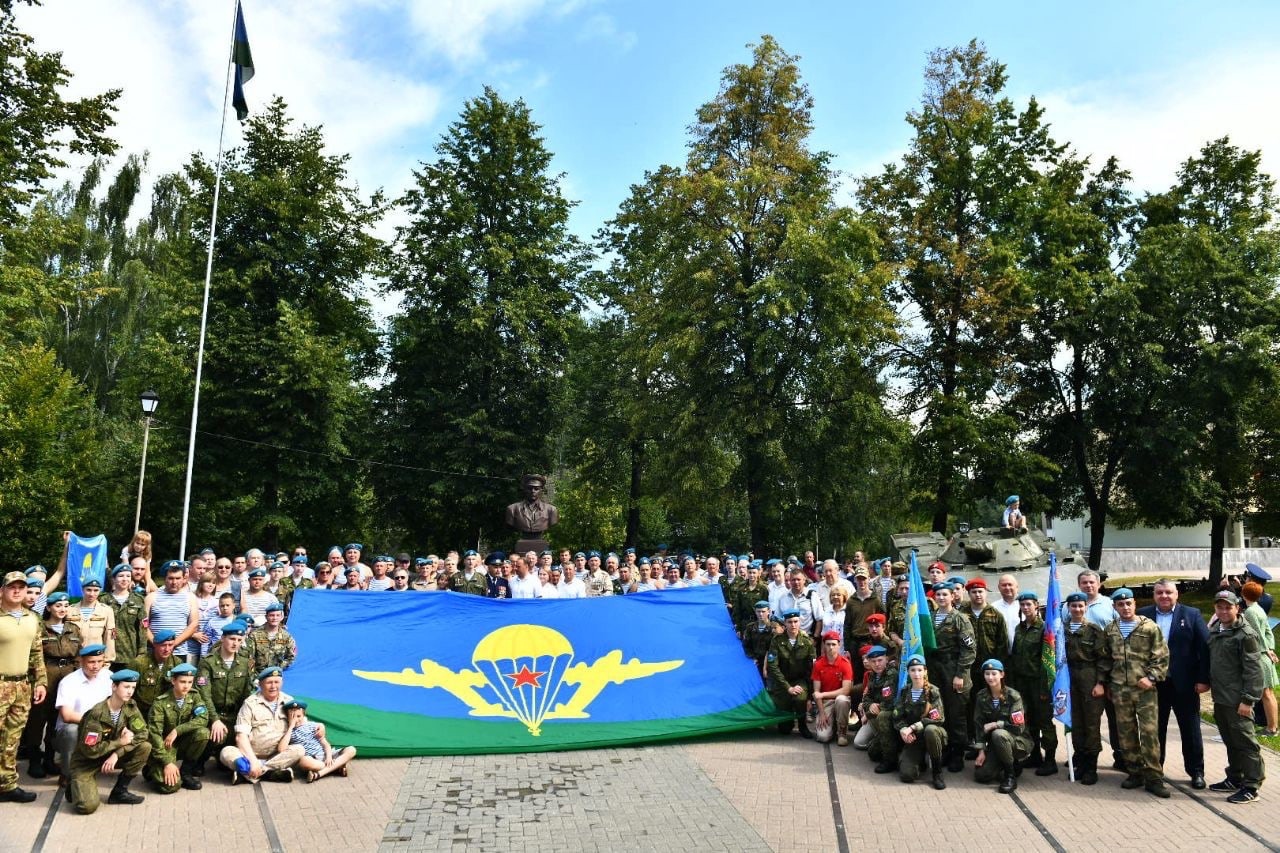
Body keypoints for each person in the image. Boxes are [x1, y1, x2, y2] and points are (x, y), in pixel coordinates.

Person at [1097, 587, 1170, 798]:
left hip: (1145, 690)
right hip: (1120, 689)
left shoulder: (1149, 628)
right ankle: (1135, 771)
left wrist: (1152, 677)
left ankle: (1154, 777)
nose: (1125, 607)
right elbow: (1105, 659)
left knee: (1149, 734)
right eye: (1120, 604)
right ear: (1115, 607)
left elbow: (1162, 656)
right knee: (1126, 734)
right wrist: (1106, 683)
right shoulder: (1111, 629)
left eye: (1128, 603)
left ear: (1134, 604)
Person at [1138, 578, 1211, 788]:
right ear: (1154, 595)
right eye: (1159, 592)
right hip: (1153, 685)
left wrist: (1203, 679)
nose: (1164, 596)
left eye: (1168, 592)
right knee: (1155, 730)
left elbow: (1205, 648)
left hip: (1185, 684)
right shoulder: (1144, 615)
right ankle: (1154, 770)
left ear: (1176, 594)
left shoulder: (1192, 614)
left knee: (1190, 729)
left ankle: (1196, 771)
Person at [1206, 590, 1265, 804]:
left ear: (1237, 608)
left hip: (1238, 699)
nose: (1223, 611)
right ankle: (1235, 777)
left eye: (1228, 607)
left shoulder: (1245, 634)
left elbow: (1253, 670)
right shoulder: (1216, 629)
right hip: (1221, 697)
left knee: (1246, 742)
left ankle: (1251, 786)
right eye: (1219, 607)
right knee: (1231, 740)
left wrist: (1248, 699)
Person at [66, 668, 150, 813]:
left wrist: (117, 753)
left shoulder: (130, 706)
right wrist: (120, 742)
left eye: (133, 687)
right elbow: (90, 750)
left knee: (145, 747)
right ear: (114, 687)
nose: (130, 691)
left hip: (109, 755)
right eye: (126, 687)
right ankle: (73, 785)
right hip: (87, 761)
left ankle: (119, 792)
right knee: (87, 807)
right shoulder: (97, 715)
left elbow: (143, 733)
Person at [0, 570, 48, 803]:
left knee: (12, 739)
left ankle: (7, 784)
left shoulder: (32, 619)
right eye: (12, 587)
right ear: (3, 591)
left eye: (21, 586)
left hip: (21, 687)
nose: (17, 590)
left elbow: (36, 653)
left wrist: (40, 682)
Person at [21, 591, 80, 779]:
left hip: (68, 676)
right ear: (48, 608)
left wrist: (78, 676)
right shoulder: (41, 628)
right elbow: (34, 654)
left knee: (57, 721)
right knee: (38, 720)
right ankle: (34, 760)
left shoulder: (74, 629)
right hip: (47, 674)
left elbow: (79, 655)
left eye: (65, 605)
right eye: (57, 605)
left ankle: (49, 758)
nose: (62, 609)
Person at [218, 666, 305, 784]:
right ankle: (270, 773)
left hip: (277, 756)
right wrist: (253, 760)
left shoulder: (289, 702)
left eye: (277, 682)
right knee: (226, 752)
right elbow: (241, 737)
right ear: (260, 684)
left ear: (282, 683)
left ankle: (253, 773)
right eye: (269, 682)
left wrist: (319, 727)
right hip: (250, 755)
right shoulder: (250, 703)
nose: (273, 686)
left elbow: (302, 723)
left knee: (299, 750)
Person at [1007, 592, 1056, 776]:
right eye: (1023, 604)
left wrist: (1045, 688)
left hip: (1039, 683)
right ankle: (1035, 755)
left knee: (1044, 721)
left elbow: (1047, 661)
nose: (1025, 608)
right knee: (1029, 721)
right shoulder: (1020, 628)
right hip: (1022, 683)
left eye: (1029, 604)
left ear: (1036, 606)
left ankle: (1050, 759)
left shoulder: (1045, 629)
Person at [928, 581, 975, 773]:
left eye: (945, 595)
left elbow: (969, 649)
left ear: (952, 596)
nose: (941, 598)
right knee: (940, 712)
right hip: (935, 670)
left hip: (953, 669)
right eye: (938, 595)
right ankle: (945, 749)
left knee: (956, 715)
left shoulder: (960, 619)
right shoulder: (930, 617)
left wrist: (960, 675)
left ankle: (957, 754)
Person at [196, 621, 255, 771]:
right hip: (213, 714)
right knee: (213, 736)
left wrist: (247, 721)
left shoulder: (244, 662)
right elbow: (204, 694)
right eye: (232, 639)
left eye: (239, 640)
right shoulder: (207, 662)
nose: (235, 643)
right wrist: (214, 720)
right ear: (223, 638)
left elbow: (247, 693)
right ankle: (199, 762)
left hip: (235, 715)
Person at [144, 662, 209, 793]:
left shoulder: (194, 696)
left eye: (190, 682)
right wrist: (167, 762)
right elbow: (154, 734)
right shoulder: (160, 703)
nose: (186, 686)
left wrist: (177, 731)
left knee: (203, 733)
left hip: (183, 741)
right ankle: (152, 768)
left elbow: (203, 718)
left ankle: (185, 773)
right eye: (183, 681)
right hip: (164, 745)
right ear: (173, 681)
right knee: (170, 787)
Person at [53, 642, 112, 783]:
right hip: (76, 729)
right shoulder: (69, 682)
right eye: (91, 662)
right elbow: (67, 715)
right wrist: (93, 723)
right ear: (81, 661)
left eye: (100, 661)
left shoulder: (108, 676)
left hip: (101, 728)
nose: (96, 666)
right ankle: (67, 775)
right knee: (71, 731)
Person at [1064, 591, 1106, 784]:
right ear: (1068, 608)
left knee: (1091, 723)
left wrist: (1100, 683)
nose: (1077, 609)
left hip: (1089, 677)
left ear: (1086, 607)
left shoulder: (1094, 630)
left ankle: (1091, 766)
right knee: (1076, 723)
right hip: (1069, 678)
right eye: (1073, 606)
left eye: (1081, 606)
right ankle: (1079, 761)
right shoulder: (1061, 629)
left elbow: (1103, 659)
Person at [971, 659, 1031, 794]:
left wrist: (996, 724)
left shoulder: (1013, 696)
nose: (990, 677)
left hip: (1018, 741)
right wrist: (981, 751)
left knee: (998, 733)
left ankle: (1011, 777)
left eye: (994, 673)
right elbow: (979, 725)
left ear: (1002, 674)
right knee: (981, 776)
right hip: (997, 743)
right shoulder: (981, 696)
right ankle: (1011, 765)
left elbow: (1018, 727)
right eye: (987, 674)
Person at [887, 655, 947, 788]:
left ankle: (937, 772)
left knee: (930, 730)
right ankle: (919, 761)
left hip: (933, 735)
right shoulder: (905, 691)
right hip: (914, 739)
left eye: (920, 670)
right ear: (908, 672)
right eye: (913, 670)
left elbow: (938, 718)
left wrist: (913, 727)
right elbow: (898, 716)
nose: (917, 674)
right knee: (906, 775)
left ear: (925, 671)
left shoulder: (933, 691)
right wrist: (903, 730)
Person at [963, 578, 1007, 757]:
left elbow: (1002, 644)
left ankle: (991, 743)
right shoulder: (962, 614)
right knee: (972, 706)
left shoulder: (995, 615)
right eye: (974, 592)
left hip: (991, 671)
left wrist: (999, 672)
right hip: (969, 668)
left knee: (991, 705)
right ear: (969, 594)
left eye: (981, 591)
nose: (978, 595)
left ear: (986, 593)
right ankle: (975, 742)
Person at [767, 610, 816, 738]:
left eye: (795, 622)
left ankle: (802, 725)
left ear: (800, 623)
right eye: (789, 622)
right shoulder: (776, 641)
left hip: (800, 681)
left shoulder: (807, 642)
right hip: (783, 683)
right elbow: (773, 667)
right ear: (785, 624)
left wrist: (810, 696)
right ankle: (787, 721)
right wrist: (787, 687)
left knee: (800, 697)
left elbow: (811, 669)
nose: (793, 625)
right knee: (785, 729)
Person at [1239, 582, 1278, 736]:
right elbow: (1268, 632)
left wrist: (1266, 650)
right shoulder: (1259, 609)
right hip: (1264, 654)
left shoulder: (1250, 612)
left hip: (1260, 656)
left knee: (1266, 694)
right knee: (1268, 693)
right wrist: (1271, 648)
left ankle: (1271, 728)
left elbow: (1256, 635)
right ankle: (1273, 726)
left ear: (1243, 594)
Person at [281, 699, 355, 782]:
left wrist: (329, 757)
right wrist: (291, 727)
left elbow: (325, 744)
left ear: (303, 715)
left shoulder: (312, 726)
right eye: (292, 717)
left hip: (326, 755)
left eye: (298, 716)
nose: (296, 720)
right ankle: (337, 766)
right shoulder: (289, 731)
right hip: (314, 761)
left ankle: (319, 774)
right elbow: (282, 749)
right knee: (303, 762)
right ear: (287, 718)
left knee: (351, 750)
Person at [145, 560, 201, 662]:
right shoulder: (152, 597)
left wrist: (173, 644)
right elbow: (143, 624)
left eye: (178, 578)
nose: (174, 582)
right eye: (170, 578)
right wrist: (156, 643)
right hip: (154, 652)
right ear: (164, 578)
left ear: (184, 578)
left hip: (179, 653)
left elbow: (194, 624)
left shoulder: (190, 597)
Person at [811, 631, 853, 746]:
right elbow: (816, 692)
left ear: (839, 645)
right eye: (828, 644)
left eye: (834, 644)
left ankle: (842, 732)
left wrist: (823, 695)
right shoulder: (818, 664)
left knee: (842, 700)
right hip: (825, 703)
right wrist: (822, 713)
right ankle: (832, 725)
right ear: (824, 645)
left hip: (840, 700)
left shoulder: (845, 663)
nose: (831, 647)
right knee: (822, 737)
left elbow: (846, 690)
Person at [856, 645, 897, 759]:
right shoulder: (873, 675)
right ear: (869, 662)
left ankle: (886, 743)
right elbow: (867, 697)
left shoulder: (891, 674)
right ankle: (879, 740)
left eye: (880, 660)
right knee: (859, 742)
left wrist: (867, 715)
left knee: (873, 753)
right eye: (873, 661)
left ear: (886, 660)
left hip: (888, 714)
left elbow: (888, 702)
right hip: (875, 712)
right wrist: (870, 705)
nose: (877, 664)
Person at [105, 563, 147, 671]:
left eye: (128, 576)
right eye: (121, 576)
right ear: (113, 579)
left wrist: (142, 652)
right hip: (106, 655)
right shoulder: (103, 600)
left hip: (129, 655)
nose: (125, 579)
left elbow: (142, 629)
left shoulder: (138, 600)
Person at [65, 577, 116, 662]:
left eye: (96, 590)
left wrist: (107, 662)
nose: (92, 594)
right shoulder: (70, 610)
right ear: (82, 589)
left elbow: (109, 639)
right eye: (88, 590)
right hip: (74, 661)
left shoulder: (107, 611)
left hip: (95, 660)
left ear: (100, 591)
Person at [251, 602, 297, 671]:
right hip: (258, 674)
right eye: (271, 615)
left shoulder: (287, 637)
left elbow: (291, 657)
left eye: (278, 615)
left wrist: (278, 668)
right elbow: (250, 657)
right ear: (266, 617)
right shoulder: (254, 635)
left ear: (281, 617)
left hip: (276, 674)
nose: (275, 618)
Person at [993, 574, 1020, 651]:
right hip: (1002, 654)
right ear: (999, 588)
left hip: (1024, 655)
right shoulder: (993, 608)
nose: (1007, 588)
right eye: (1004, 585)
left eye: (1010, 584)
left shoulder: (1026, 606)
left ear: (1017, 586)